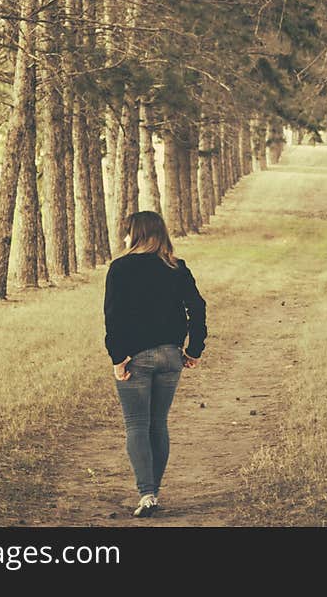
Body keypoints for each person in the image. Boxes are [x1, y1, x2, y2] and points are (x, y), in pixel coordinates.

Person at [103, 210, 207, 518]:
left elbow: (113, 317)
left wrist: (117, 358)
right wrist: (195, 348)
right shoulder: (177, 267)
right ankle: (154, 493)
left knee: (137, 424)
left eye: (127, 232)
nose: (124, 238)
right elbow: (197, 308)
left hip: (137, 357)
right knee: (157, 424)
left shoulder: (120, 269)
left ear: (135, 234)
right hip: (171, 355)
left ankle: (146, 494)